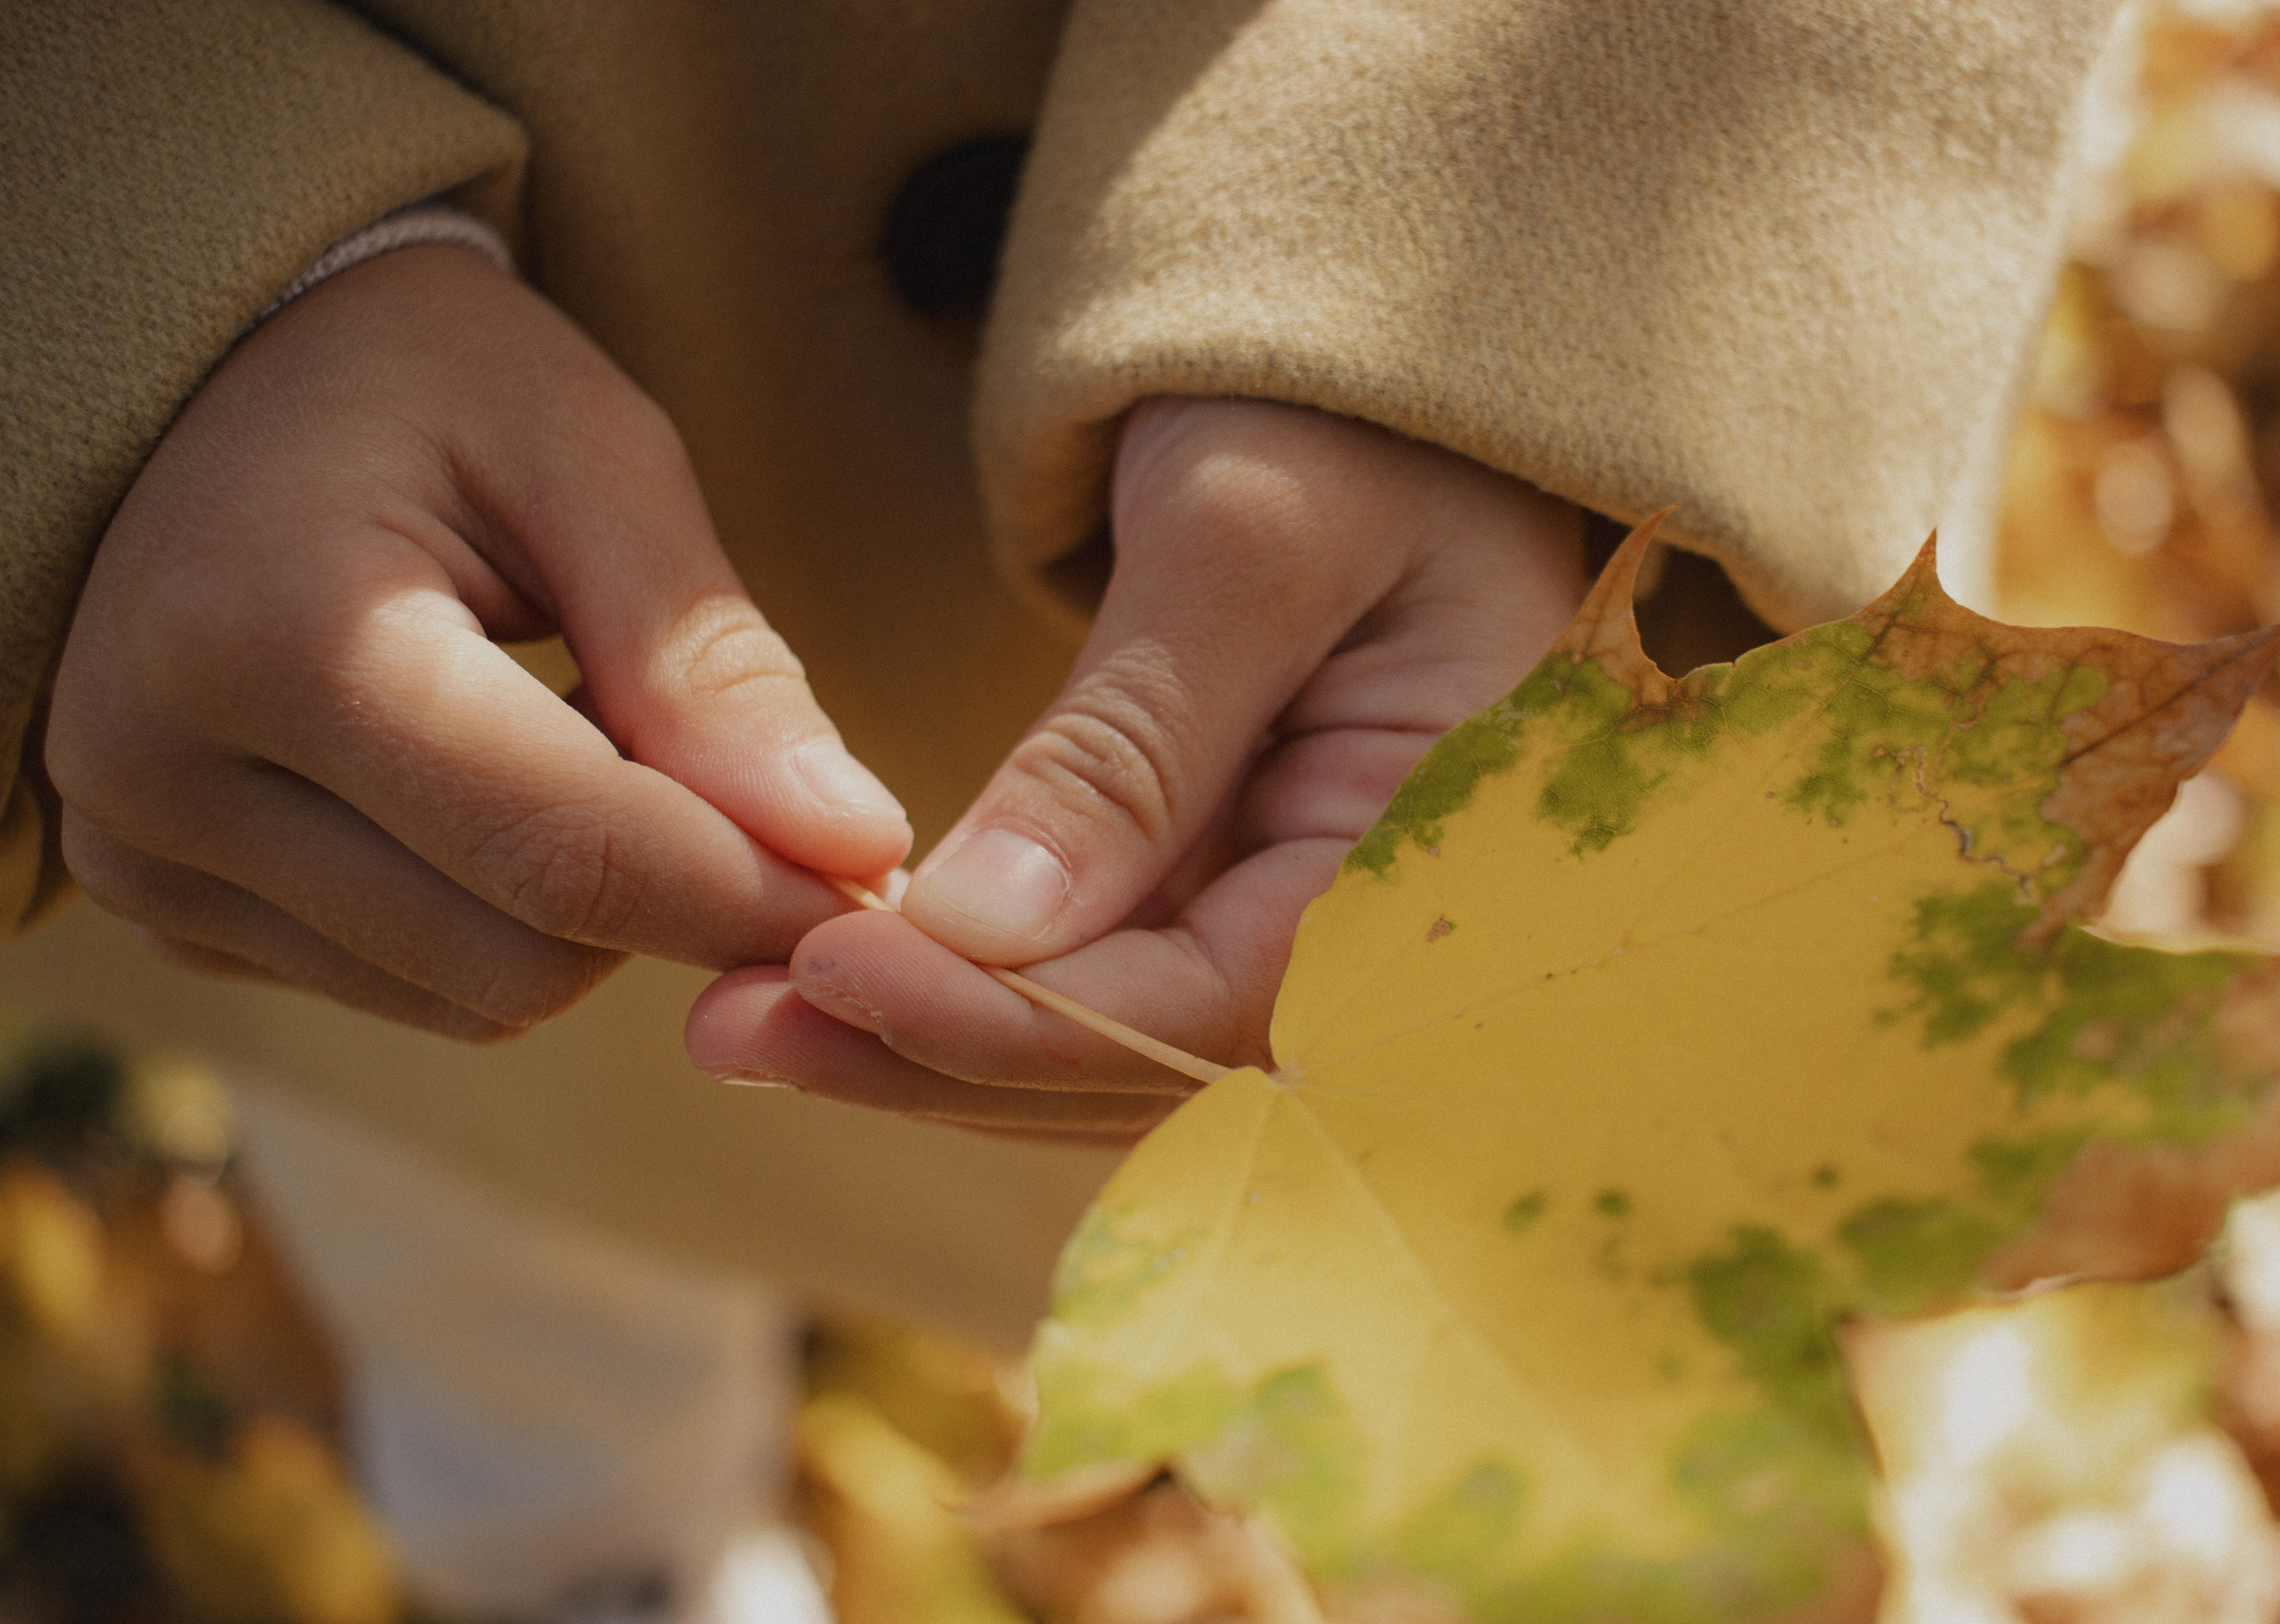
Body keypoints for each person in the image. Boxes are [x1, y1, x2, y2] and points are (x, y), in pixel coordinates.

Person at [1, 0, 2130, 1615]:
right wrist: (164, 275)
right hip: (342, 663)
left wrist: (1487, 305)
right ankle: (594, 1563)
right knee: (492, 1237)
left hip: (1414, 644)